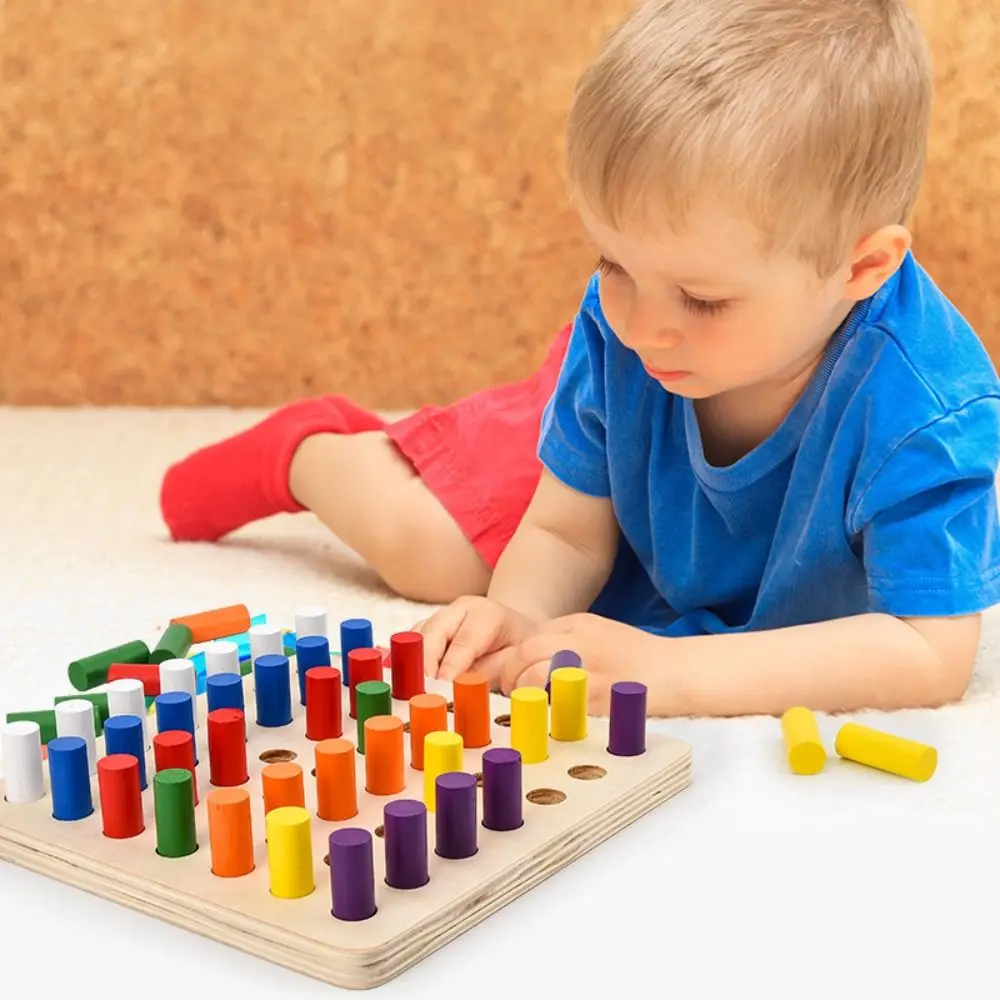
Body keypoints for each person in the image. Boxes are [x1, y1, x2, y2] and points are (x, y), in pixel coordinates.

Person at [159, 0, 1000, 719]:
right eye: (611, 263)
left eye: (702, 299)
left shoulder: (931, 412)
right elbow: (563, 529)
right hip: (622, 479)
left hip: (678, 529)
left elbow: (931, 654)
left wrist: (672, 674)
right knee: (435, 556)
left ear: (863, 268)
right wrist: (516, 618)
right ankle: (314, 450)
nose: (639, 322)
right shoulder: (631, 326)